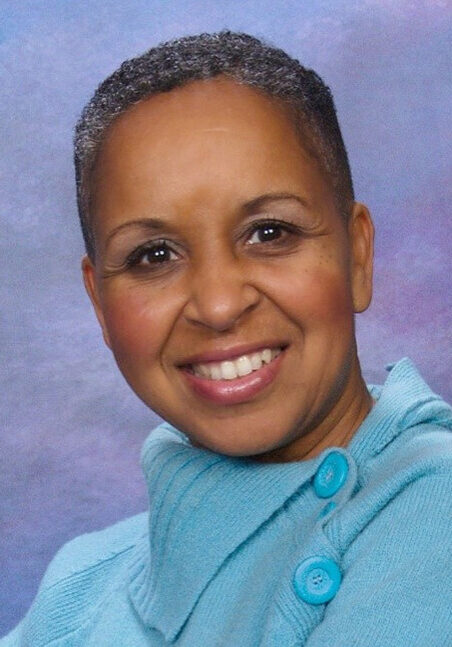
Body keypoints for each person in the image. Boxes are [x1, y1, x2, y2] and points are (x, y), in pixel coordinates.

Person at [2, 30, 451, 646]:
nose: (217, 305)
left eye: (269, 233)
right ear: (99, 304)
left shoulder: (433, 510)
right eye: (153, 254)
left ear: (357, 258)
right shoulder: (78, 587)